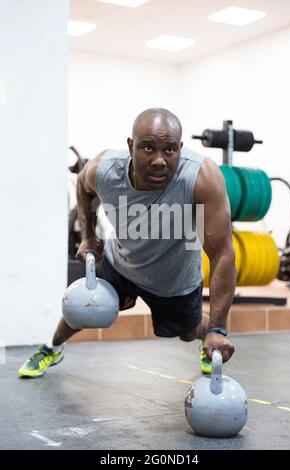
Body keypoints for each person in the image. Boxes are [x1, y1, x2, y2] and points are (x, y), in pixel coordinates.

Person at [18, 108, 235, 378]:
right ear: (131, 146)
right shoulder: (104, 170)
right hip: (122, 263)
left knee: (188, 332)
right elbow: (83, 189)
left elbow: (222, 254)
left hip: (175, 279)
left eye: (169, 150)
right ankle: (52, 348)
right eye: (148, 148)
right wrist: (88, 237)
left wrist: (217, 329)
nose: (159, 160)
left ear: (180, 148)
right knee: (80, 308)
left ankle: (206, 338)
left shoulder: (202, 178)